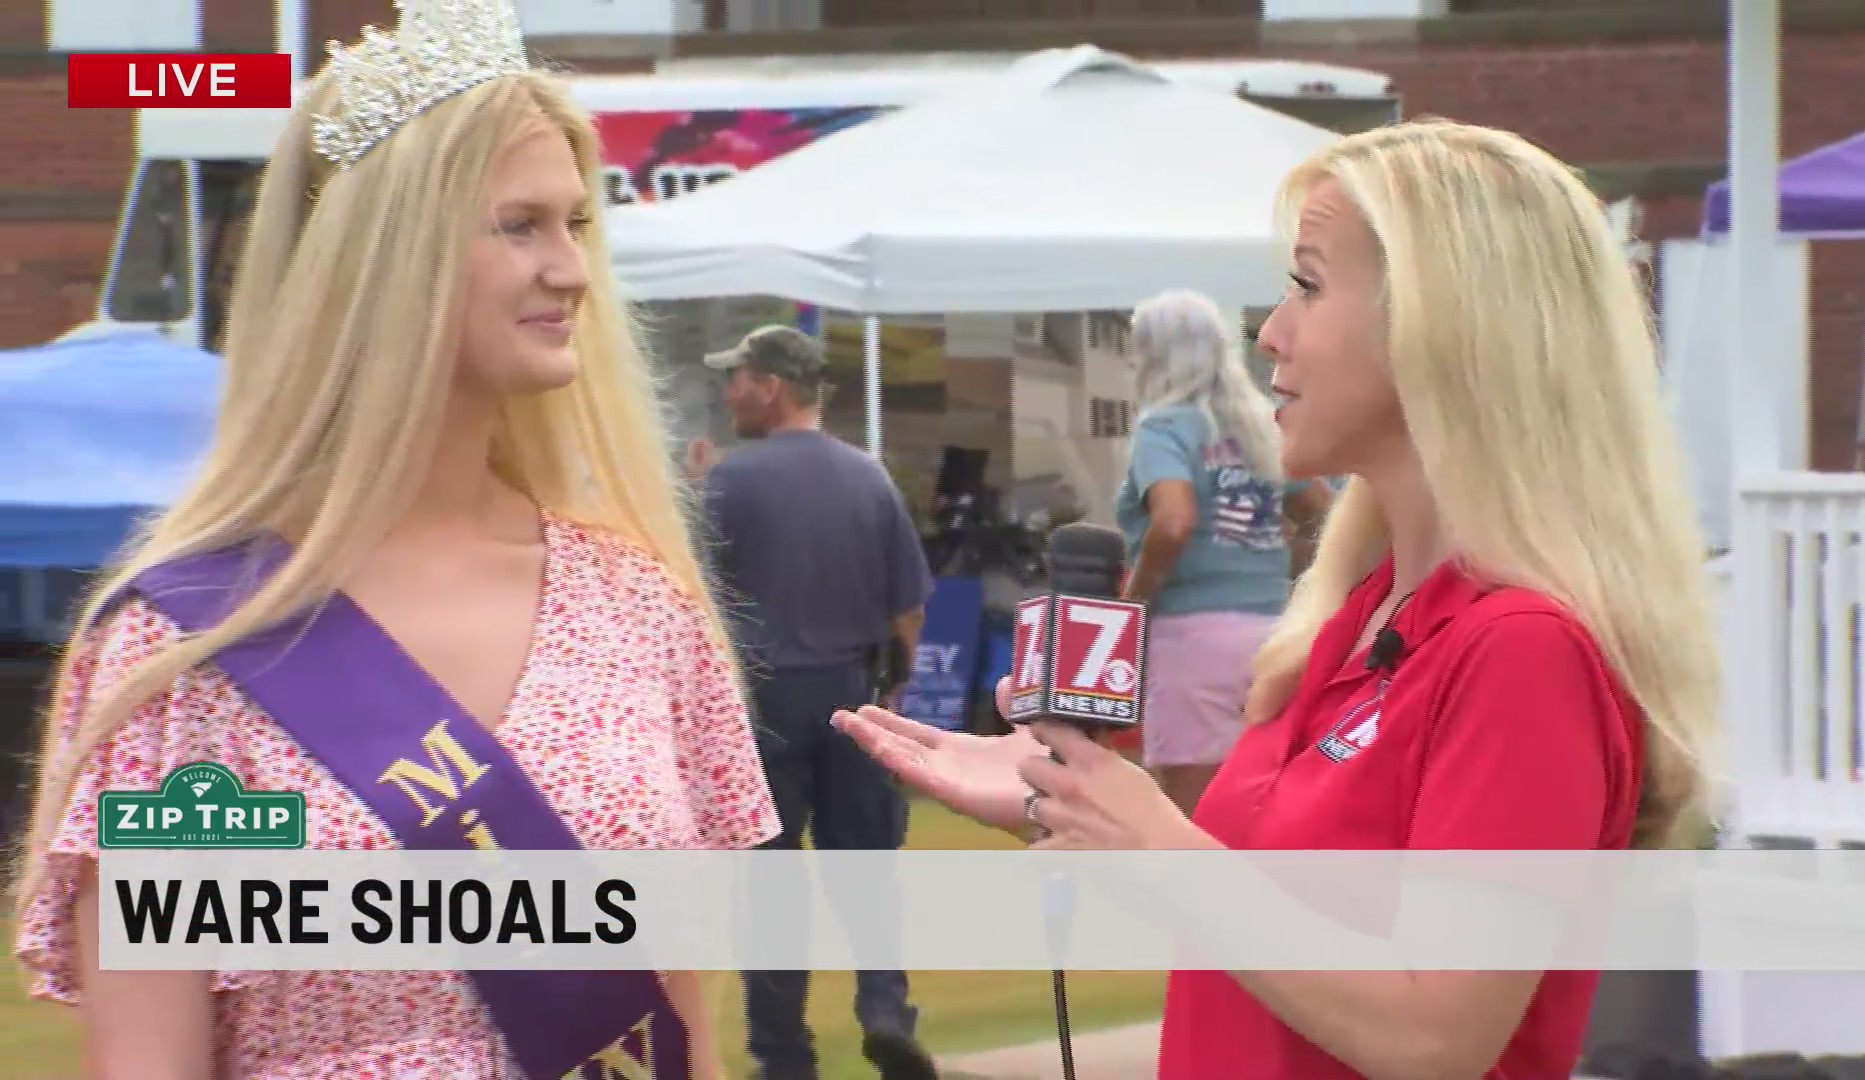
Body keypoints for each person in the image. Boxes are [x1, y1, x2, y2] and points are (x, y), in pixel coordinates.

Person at [832, 117, 1720, 1080]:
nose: (1270, 332)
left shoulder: (1521, 648)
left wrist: (1162, 843)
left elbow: (1433, 1036)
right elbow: (1275, 920)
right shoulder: (1356, 621)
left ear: (1442, 323)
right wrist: (1075, 800)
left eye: (1307, 284)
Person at [10, 3, 779, 1078]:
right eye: (520, 225)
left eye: (578, 225)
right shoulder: (184, 659)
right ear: (386, 260)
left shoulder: (639, 603)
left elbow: (671, 1021)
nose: (571, 270)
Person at [697, 325, 937, 1080]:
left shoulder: (730, 482)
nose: (727, 391)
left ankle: (781, 1053)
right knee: (865, 867)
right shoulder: (869, 478)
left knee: (769, 885)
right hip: (851, 690)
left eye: (737, 377)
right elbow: (908, 606)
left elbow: (696, 601)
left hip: (762, 703)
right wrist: (891, 688)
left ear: (770, 386)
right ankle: (884, 1009)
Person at [1116, 288, 1335, 814]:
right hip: (1273, 630)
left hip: (1192, 635)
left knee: (1195, 818)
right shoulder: (1258, 426)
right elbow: (1327, 512)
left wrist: (1136, 600)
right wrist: (1295, 566)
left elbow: (1173, 520)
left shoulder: (1165, 427)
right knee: (1262, 805)